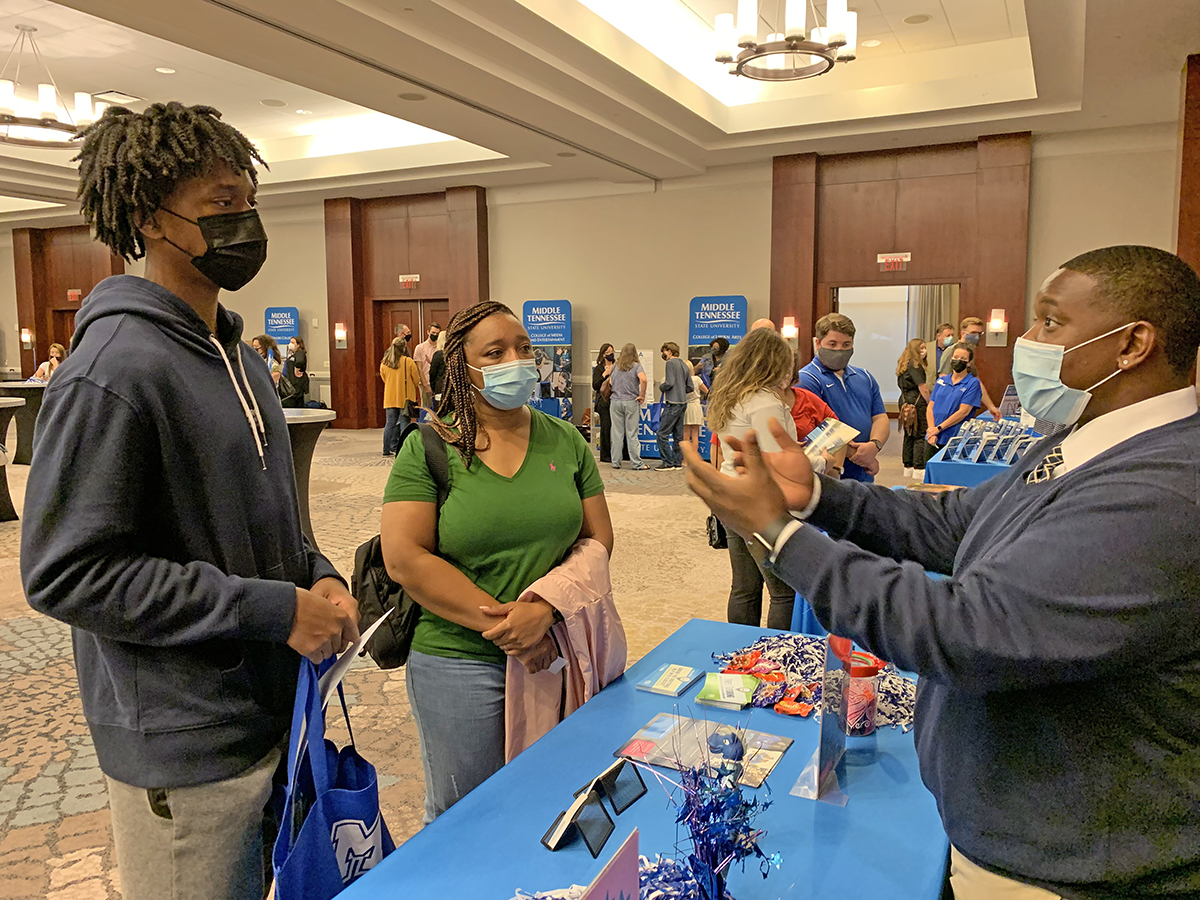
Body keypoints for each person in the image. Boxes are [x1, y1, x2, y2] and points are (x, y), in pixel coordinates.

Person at [683, 244, 1200, 900]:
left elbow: (965, 631)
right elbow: (955, 525)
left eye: (1049, 322)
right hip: (1023, 838)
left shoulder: (1162, 491)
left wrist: (788, 539)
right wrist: (814, 497)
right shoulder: (1081, 443)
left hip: (1077, 869)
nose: (1027, 341)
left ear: (1132, 345)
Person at [20, 102, 358, 900]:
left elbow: (269, 517)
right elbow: (67, 573)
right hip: (183, 750)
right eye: (218, 204)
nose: (243, 219)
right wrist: (273, 610)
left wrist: (319, 576)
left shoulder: (237, 357)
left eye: (248, 199)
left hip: (271, 721)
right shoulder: (113, 368)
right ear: (150, 218)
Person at [379, 300, 614, 823]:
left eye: (524, 348)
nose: (518, 360)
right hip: (458, 660)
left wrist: (544, 611)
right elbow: (405, 558)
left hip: (555, 647)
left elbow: (598, 539)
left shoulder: (566, 440)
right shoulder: (428, 447)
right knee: (466, 816)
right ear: (464, 367)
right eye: (497, 351)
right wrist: (509, 627)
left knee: (551, 804)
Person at [704, 327, 799, 630]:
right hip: (761, 504)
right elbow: (773, 461)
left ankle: (740, 650)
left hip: (732, 496)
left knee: (744, 587)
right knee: (784, 593)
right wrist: (819, 460)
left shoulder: (732, 396)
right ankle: (776, 657)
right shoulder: (765, 401)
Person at [797, 313, 888, 482]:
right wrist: (862, 458)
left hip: (863, 474)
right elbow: (816, 433)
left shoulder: (864, 377)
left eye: (846, 344)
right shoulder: (806, 379)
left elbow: (880, 417)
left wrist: (874, 445)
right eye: (832, 344)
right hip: (830, 475)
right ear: (817, 343)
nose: (839, 350)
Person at [938, 316, 1001, 418]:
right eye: (973, 333)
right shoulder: (952, 351)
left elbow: (977, 382)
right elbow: (943, 379)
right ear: (963, 333)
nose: (977, 336)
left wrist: (991, 407)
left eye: (980, 334)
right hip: (950, 407)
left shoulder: (970, 353)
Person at [927, 341, 982, 451]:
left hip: (953, 437)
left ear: (969, 363)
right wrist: (932, 430)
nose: (958, 361)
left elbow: (963, 412)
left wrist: (939, 428)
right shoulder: (941, 381)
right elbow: (930, 407)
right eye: (956, 357)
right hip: (932, 436)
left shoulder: (972, 383)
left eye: (963, 358)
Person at [896, 338, 932, 480]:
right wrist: (930, 403)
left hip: (904, 401)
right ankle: (918, 467)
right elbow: (922, 387)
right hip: (917, 403)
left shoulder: (903, 365)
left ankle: (908, 465)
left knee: (909, 433)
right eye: (921, 348)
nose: (924, 351)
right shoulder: (916, 366)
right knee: (919, 434)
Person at [654, 341, 693, 470]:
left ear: (669, 352)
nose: (663, 355)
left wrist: (662, 387)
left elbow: (669, 382)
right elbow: (690, 387)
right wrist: (681, 390)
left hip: (673, 403)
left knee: (662, 434)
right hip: (683, 403)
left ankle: (667, 462)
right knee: (678, 435)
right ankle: (677, 462)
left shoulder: (670, 363)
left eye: (663, 352)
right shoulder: (684, 365)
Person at [380, 335, 421, 456]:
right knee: (404, 423)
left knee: (390, 424)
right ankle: (403, 450)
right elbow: (416, 379)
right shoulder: (408, 362)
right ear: (403, 348)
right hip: (405, 397)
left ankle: (386, 449)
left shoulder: (385, 363)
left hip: (390, 397)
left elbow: (384, 378)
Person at [609, 343, 648, 471]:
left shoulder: (615, 366)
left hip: (615, 402)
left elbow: (610, 382)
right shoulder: (636, 366)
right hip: (631, 401)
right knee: (632, 433)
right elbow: (643, 379)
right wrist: (642, 395)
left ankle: (615, 462)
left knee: (616, 433)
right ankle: (637, 463)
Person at [592, 343, 615, 463]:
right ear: (603, 354)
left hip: (616, 399)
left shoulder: (617, 366)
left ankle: (621, 452)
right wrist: (604, 375)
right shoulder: (599, 368)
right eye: (607, 352)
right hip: (603, 401)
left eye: (612, 351)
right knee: (606, 427)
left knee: (618, 427)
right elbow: (595, 385)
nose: (610, 354)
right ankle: (605, 455)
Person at [682, 359, 707, 463]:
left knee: (686, 434)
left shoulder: (681, 380)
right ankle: (694, 460)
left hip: (686, 407)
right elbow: (706, 391)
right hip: (696, 407)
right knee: (695, 434)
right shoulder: (697, 379)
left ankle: (686, 459)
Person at [412, 321, 440, 408]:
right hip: (425, 382)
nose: (435, 335)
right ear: (428, 332)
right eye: (433, 333)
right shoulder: (420, 348)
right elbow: (419, 368)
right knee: (426, 408)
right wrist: (425, 385)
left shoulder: (440, 348)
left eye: (437, 333)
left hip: (438, 383)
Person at [281, 336, 309, 408]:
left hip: (296, 385)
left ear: (298, 344)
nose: (290, 344)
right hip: (291, 383)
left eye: (293, 342)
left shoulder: (300, 353)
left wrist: (297, 368)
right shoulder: (293, 355)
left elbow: (300, 361)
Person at [429, 329, 448, 408]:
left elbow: (432, 374)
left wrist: (433, 388)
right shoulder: (454, 354)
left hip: (440, 389)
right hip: (453, 390)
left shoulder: (438, 355)